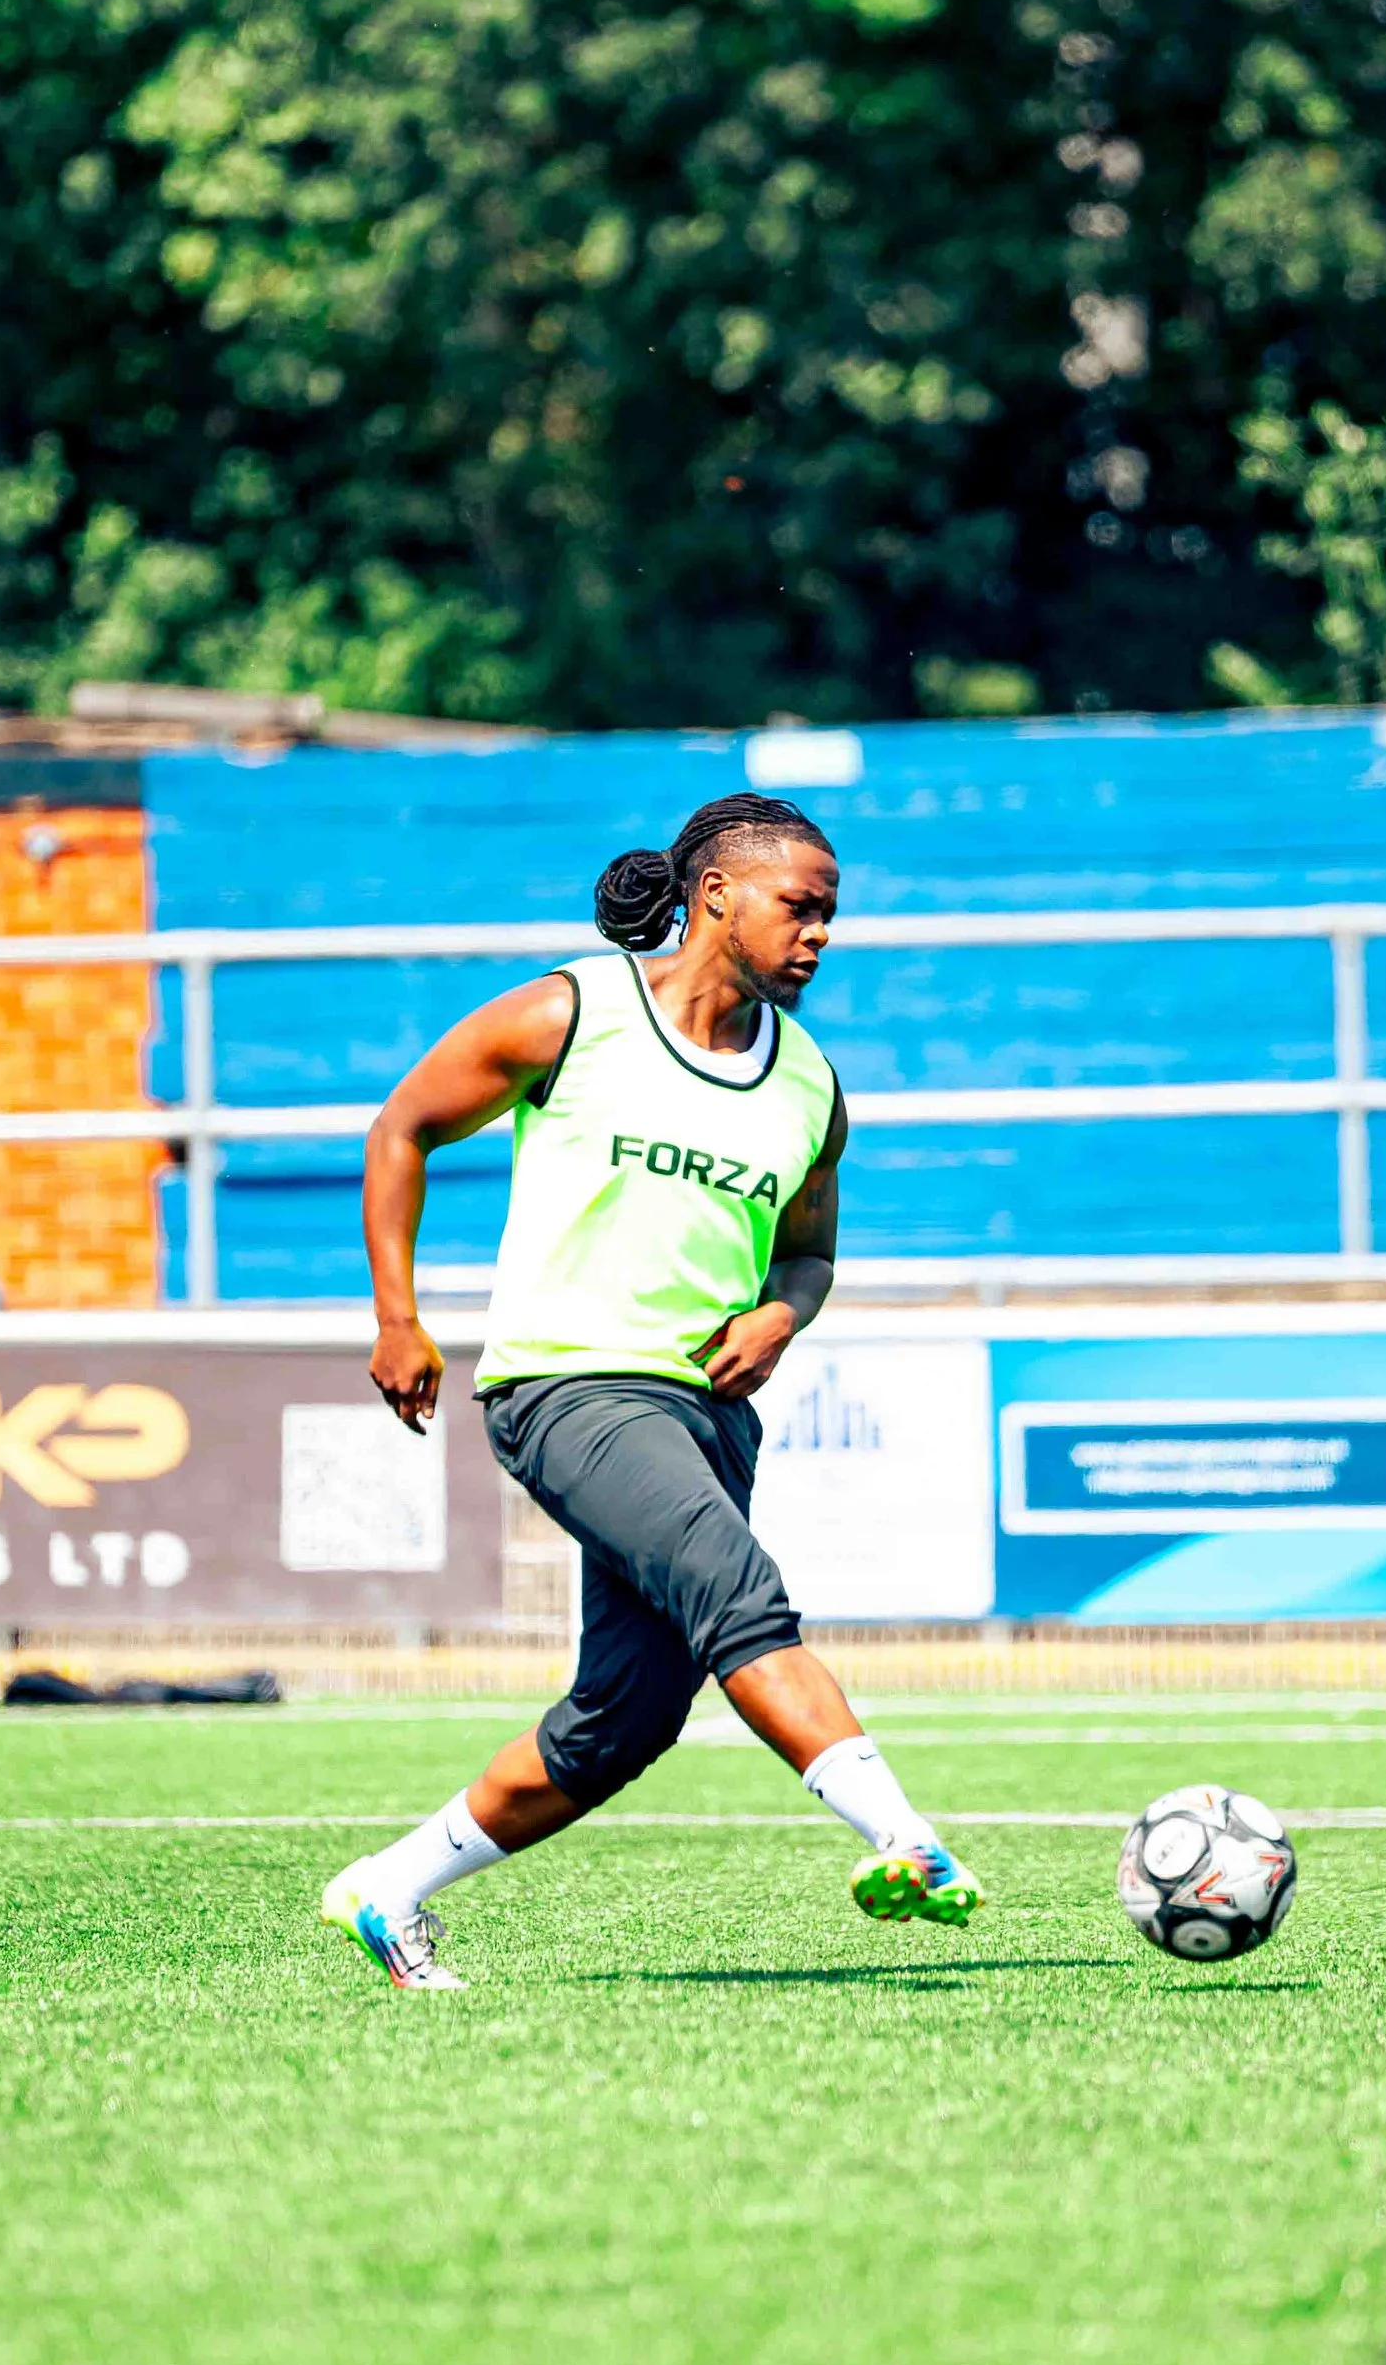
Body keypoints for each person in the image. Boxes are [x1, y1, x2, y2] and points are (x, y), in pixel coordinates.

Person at [322, 791, 985, 1990]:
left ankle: (389, 1886)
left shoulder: (810, 1088)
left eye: (831, 914)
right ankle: (907, 1837)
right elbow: (403, 1127)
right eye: (801, 906)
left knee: (624, 1720)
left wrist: (783, 1311)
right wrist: (397, 1316)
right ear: (715, 895)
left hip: (707, 1414)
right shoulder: (574, 1013)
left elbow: (812, 1252)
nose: (820, 934)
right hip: (567, 1389)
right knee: (735, 1588)